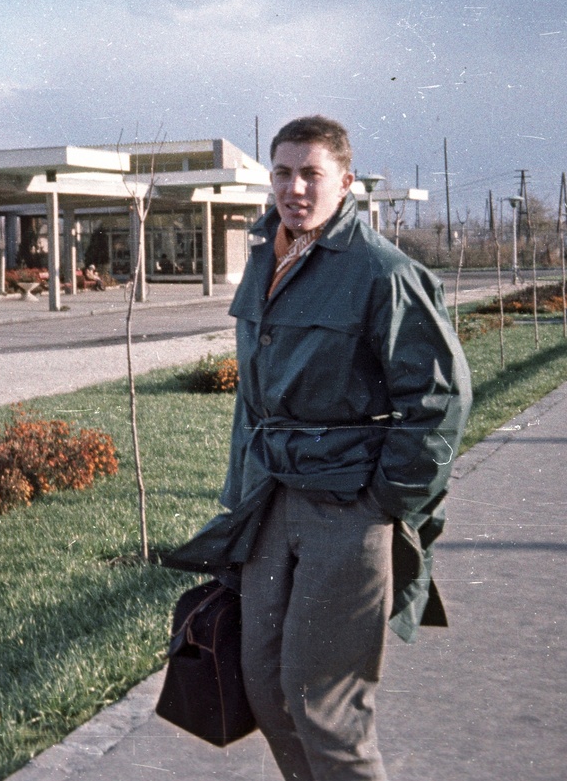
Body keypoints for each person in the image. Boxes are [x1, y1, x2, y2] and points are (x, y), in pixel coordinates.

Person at [168, 115, 471, 780]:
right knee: (265, 687)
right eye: (283, 172)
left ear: (347, 184)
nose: (295, 187)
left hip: (348, 504)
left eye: (312, 174)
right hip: (271, 499)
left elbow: (441, 401)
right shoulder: (266, 258)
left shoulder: (382, 273)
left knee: (325, 704)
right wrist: (239, 496)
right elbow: (254, 396)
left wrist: (384, 501)